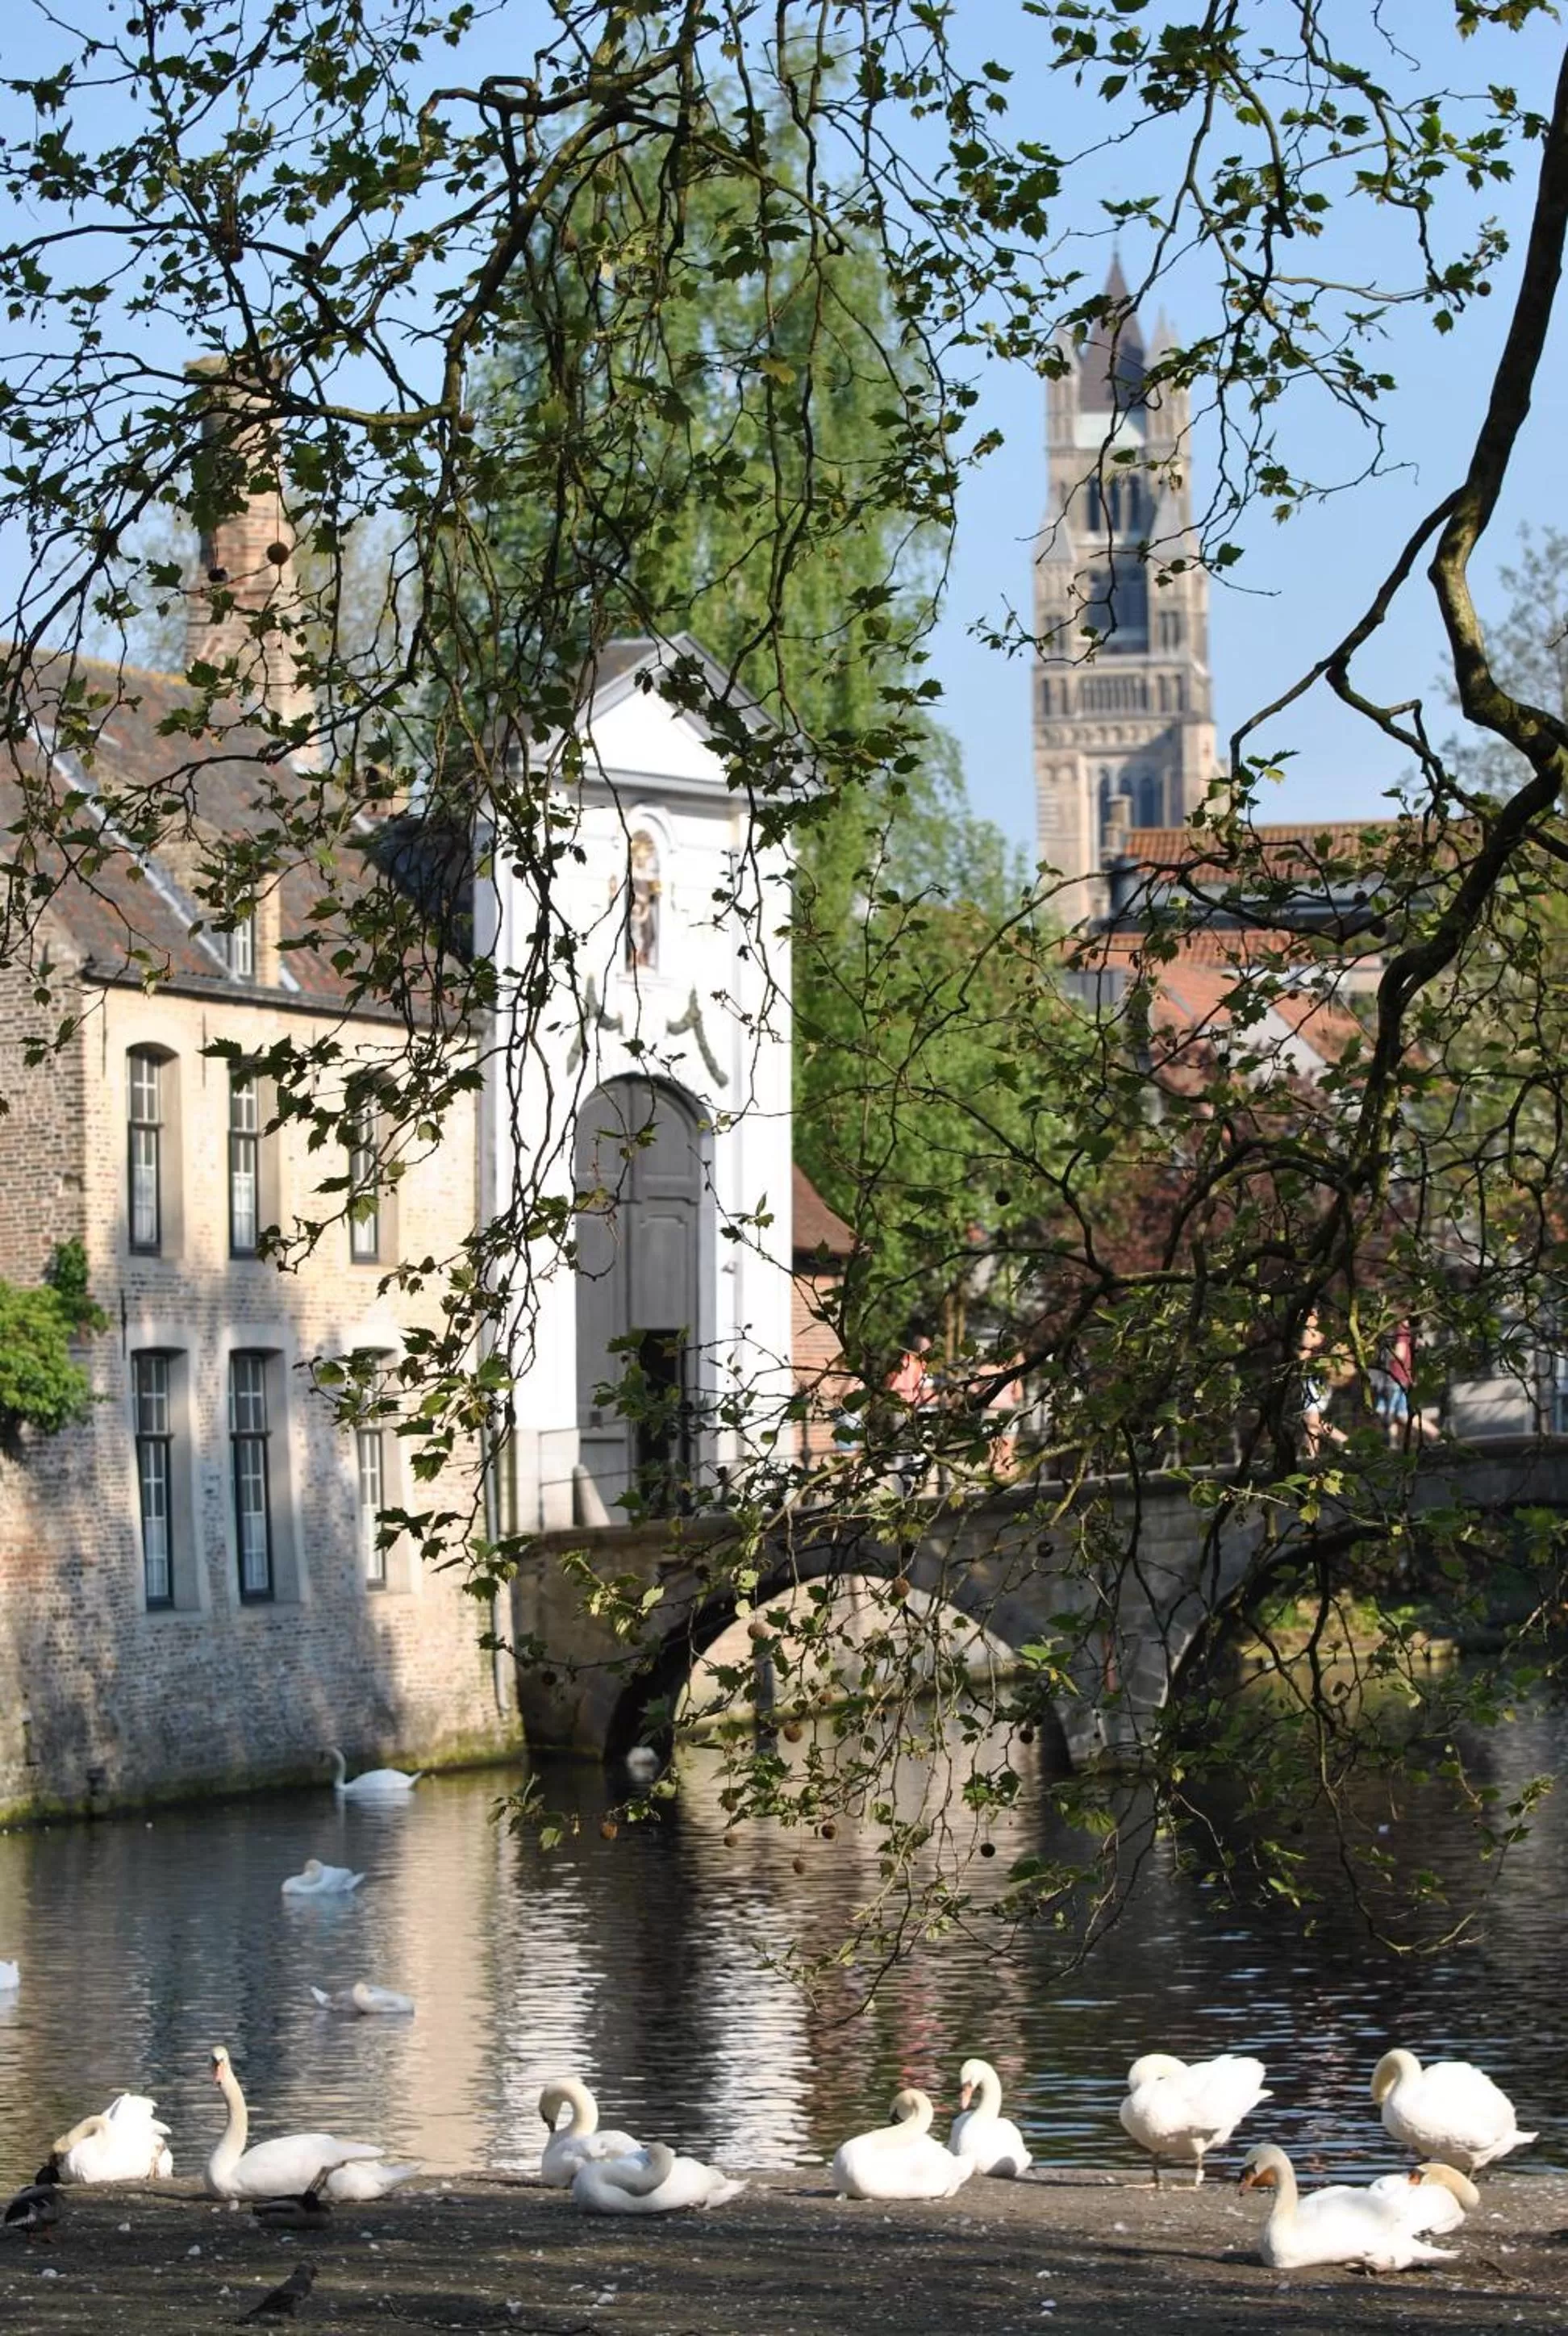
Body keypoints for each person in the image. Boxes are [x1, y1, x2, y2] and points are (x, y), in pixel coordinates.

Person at [1298, 1310, 1347, 1456]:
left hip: (1315, 1377)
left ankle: (1344, 1441)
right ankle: (1312, 1454)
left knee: (1312, 1422)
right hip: (1313, 1376)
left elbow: (1308, 1349)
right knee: (1310, 1421)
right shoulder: (1319, 1326)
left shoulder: (1315, 1326)